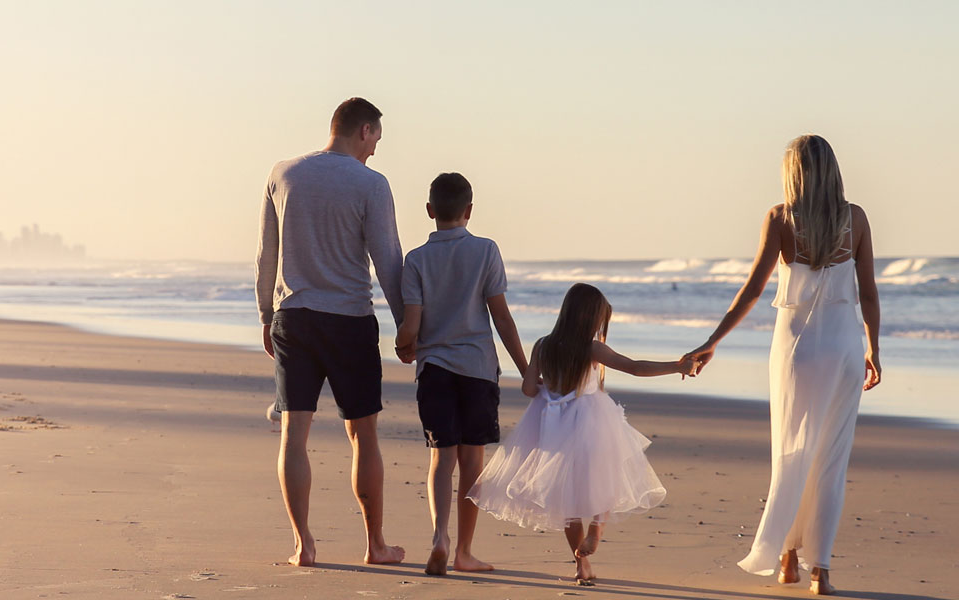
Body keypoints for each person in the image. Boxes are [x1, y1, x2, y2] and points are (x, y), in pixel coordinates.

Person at [683, 134, 883, 595]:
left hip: (796, 349)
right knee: (832, 458)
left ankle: (787, 558)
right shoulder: (856, 219)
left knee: (791, 450)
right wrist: (874, 348)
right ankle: (822, 570)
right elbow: (869, 293)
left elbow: (753, 290)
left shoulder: (780, 218)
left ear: (793, 171)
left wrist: (714, 340)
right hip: (845, 347)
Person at [255, 97, 406, 567]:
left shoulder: (284, 173)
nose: (376, 151)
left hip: (294, 316)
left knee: (293, 436)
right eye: (376, 139)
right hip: (349, 321)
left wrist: (265, 314)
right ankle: (375, 544)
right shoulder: (371, 184)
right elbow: (388, 260)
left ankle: (303, 544)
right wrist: (407, 326)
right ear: (364, 130)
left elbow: (266, 254)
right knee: (363, 436)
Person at [468, 283, 689, 586]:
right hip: (592, 420)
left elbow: (528, 389)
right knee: (606, 475)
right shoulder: (592, 347)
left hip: (554, 426)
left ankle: (580, 564)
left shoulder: (543, 345)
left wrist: (549, 386)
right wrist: (676, 366)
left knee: (566, 495)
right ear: (591, 318)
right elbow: (634, 368)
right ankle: (597, 528)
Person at [392, 173, 531, 576]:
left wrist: (403, 345)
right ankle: (465, 551)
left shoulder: (416, 259)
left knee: (441, 459)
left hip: (434, 370)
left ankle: (439, 536)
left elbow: (412, 323)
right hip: (477, 370)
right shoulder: (486, 251)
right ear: (469, 211)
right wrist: (526, 370)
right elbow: (501, 318)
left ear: (430, 212)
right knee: (472, 461)